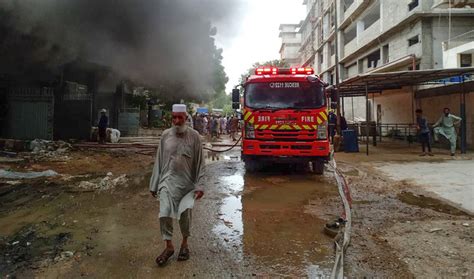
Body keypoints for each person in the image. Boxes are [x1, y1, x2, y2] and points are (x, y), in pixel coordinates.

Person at [149, 104, 205, 267]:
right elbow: (159, 160)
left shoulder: (194, 137)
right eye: (174, 117)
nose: (177, 120)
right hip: (167, 181)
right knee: (164, 213)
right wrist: (154, 184)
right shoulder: (165, 135)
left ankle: (184, 245)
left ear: (186, 118)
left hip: (187, 184)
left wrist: (200, 185)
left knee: (184, 216)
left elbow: (200, 163)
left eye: (180, 117)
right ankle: (169, 246)